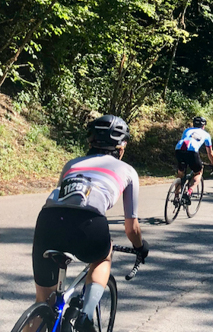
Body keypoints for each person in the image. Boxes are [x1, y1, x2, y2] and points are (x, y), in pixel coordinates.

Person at [31, 115, 149, 332]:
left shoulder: (72, 164)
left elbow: (65, 202)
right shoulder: (128, 172)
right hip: (89, 224)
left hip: (48, 220)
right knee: (104, 255)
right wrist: (141, 247)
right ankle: (85, 316)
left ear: (90, 142)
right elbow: (131, 228)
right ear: (121, 147)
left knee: (43, 305)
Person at [175, 116, 213, 200]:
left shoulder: (187, 130)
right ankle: (189, 192)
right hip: (192, 151)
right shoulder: (206, 134)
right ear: (203, 126)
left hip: (179, 149)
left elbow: (185, 142)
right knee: (198, 172)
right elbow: (210, 153)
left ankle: (176, 196)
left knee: (180, 173)